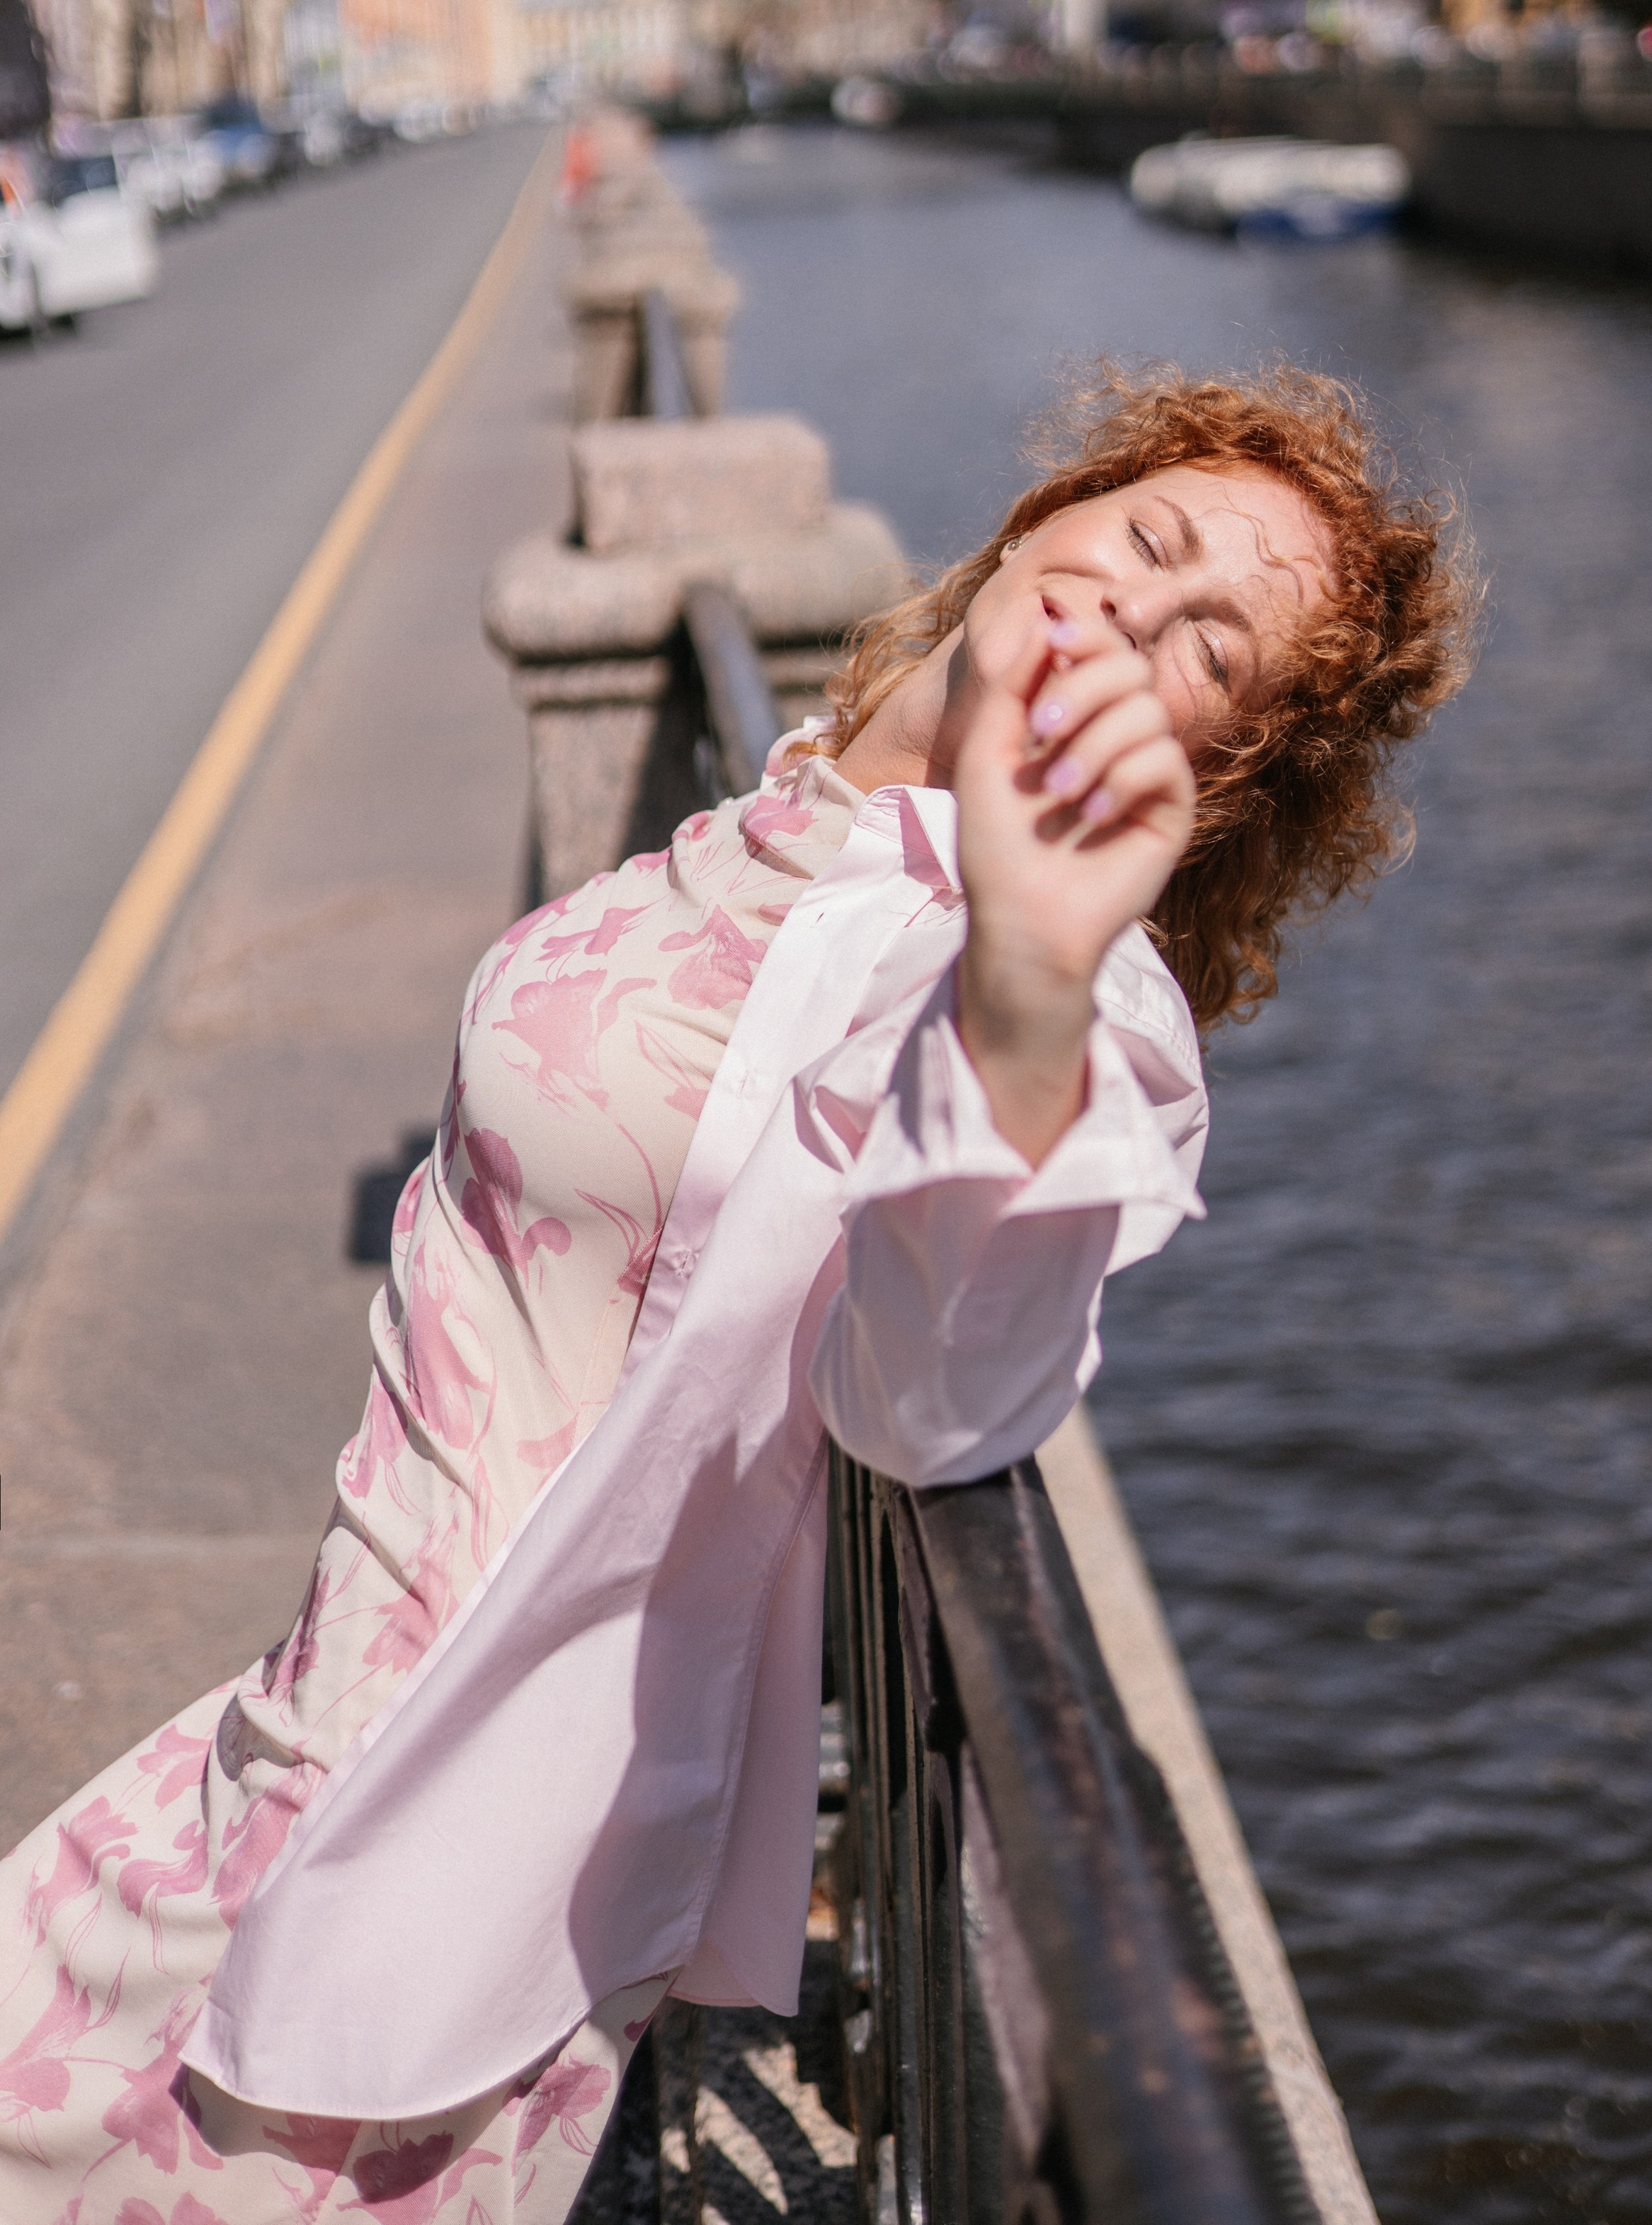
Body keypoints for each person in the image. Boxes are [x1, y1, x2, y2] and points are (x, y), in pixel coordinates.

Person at [0, 365, 1474, 2221]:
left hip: (442, 1872)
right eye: (1149, 540)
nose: (1131, 609)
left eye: (1210, 654)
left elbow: (935, 1397)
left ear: (1216, 774)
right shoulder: (820, 790)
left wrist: (1025, 997)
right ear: (1052, 514)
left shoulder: (1050, 988)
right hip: (275, 1743)